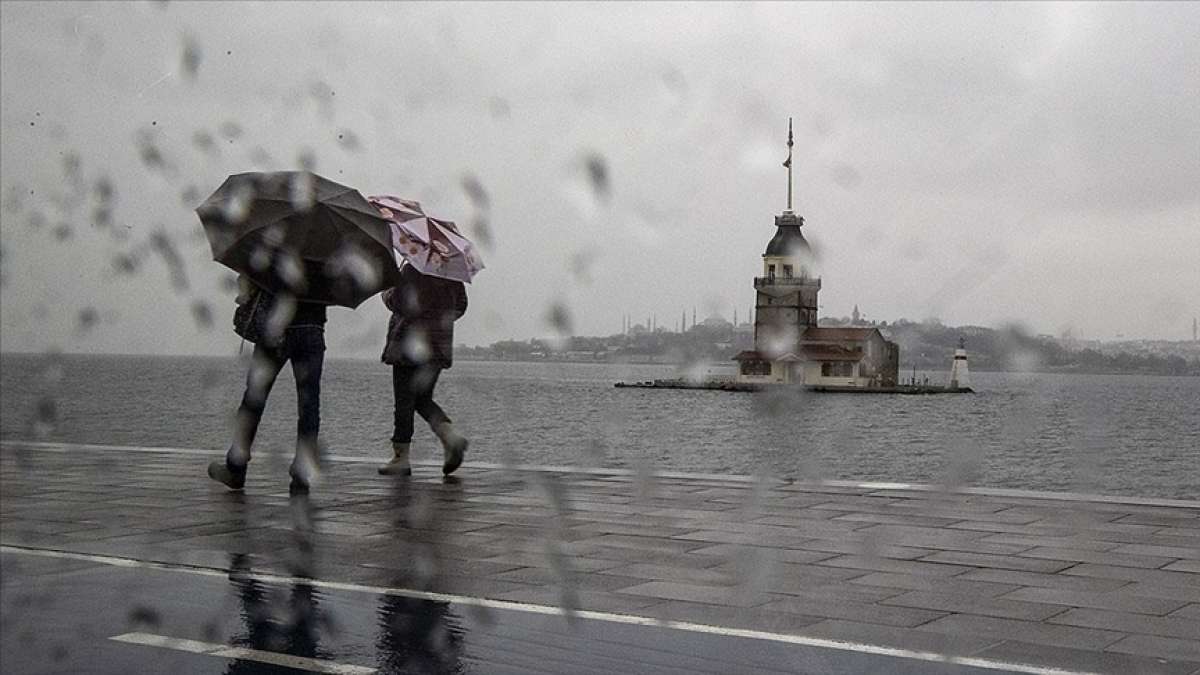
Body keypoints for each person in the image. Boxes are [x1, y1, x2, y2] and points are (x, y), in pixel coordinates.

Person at [208, 276, 327, 492]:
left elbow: (253, 278)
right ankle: (301, 474)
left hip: (276, 328)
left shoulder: (278, 245)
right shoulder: (328, 249)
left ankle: (236, 467)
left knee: (254, 399)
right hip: (312, 329)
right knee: (309, 404)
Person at [378, 263, 469, 476]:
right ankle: (450, 436)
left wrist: (387, 293)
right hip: (437, 347)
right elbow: (461, 306)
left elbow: (400, 302)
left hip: (409, 345)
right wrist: (437, 318)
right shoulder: (451, 272)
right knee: (421, 399)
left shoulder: (412, 269)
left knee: (404, 401)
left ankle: (401, 458)